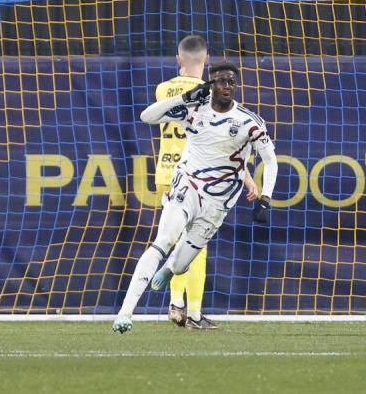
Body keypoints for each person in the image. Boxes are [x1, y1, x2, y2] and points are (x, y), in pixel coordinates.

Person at [113, 60, 277, 333]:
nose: (227, 86)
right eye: (221, 81)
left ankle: (169, 270)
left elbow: (271, 161)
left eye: (231, 82)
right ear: (211, 84)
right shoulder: (193, 109)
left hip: (218, 203)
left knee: (180, 265)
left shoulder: (250, 122)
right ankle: (125, 313)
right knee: (163, 241)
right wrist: (183, 98)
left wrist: (266, 199)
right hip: (186, 187)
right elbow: (146, 116)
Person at [153, 35, 258, 330]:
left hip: (167, 173)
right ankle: (193, 313)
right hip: (198, 174)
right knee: (196, 243)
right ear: (207, 59)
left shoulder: (162, 89)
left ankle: (177, 304)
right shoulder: (209, 94)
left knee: (176, 239)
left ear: (178, 59)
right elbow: (225, 143)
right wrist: (247, 177)